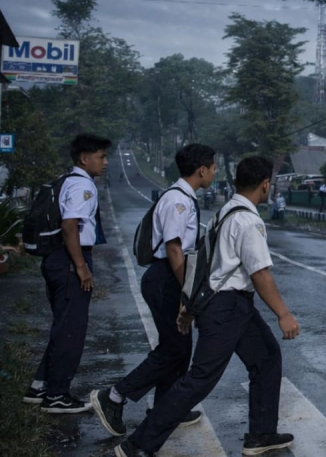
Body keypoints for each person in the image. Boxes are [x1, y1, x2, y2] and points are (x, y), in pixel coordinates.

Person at [115, 156, 300, 457]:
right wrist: (284, 314)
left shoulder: (225, 211)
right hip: (227, 307)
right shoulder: (248, 220)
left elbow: (203, 264)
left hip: (232, 306)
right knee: (199, 380)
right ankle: (137, 445)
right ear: (265, 185)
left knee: (266, 357)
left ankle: (261, 434)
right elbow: (260, 273)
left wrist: (188, 306)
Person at [92, 144, 217, 437]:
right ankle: (113, 396)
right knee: (173, 348)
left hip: (168, 278)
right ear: (201, 169)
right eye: (212, 167)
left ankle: (167, 406)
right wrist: (188, 290)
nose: (214, 172)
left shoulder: (182, 196)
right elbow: (174, 249)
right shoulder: (178, 201)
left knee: (180, 347)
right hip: (166, 280)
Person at [24, 133, 111, 413]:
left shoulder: (68, 180)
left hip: (59, 258)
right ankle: (58, 395)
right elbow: (70, 226)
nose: (105, 162)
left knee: (64, 325)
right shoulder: (82, 186)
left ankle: (40, 386)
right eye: (101, 156)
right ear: (84, 159)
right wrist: (82, 267)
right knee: (72, 330)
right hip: (69, 259)